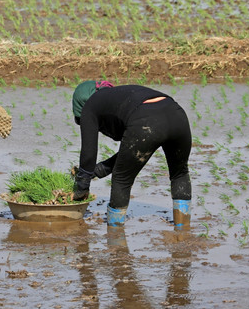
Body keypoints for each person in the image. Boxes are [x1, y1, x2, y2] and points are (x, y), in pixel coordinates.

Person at [72, 81, 192, 229]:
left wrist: (82, 185)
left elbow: (88, 153)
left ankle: (115, 235)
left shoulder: (89, 106)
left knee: (121, 179)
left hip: (147, 118)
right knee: (180, 173)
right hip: (177, 114)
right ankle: (183, 229)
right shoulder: (121, 96)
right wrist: (99, 170)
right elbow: (130, 153)